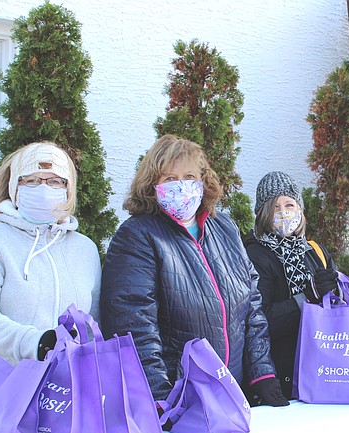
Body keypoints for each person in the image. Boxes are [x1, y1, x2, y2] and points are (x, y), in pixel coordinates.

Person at [100, 135, 288, 407]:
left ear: (202, 181)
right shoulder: (137, 236)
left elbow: (252, 305)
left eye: (189, 176)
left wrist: (262, 373)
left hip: (233, 391)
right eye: (169, 179)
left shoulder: (224, 228)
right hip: (181, 398)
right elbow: (134, 325)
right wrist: (160, 400)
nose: (181, 186)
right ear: (152, 186)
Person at [0, 141, 101, 397]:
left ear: (69, 190)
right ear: (14, 187)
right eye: (32, 180)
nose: (44, 188)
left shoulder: (85, 249)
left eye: (55, 181)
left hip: (59, 397)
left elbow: (93, 322)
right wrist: (35, 343)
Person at [243, 171, 338, 399]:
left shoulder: (314, 251)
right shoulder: (255, 255)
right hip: (281, 372)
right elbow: (259, 321)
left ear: (300, 210)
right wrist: (307, 298)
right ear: (263, 213)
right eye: (275, 207)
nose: (284, 212)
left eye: (289, 204)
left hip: (322, 366)